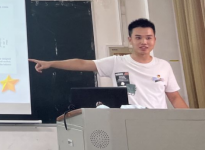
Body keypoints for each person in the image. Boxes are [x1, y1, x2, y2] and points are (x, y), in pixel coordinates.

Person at [29, 18, 189, 109]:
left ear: (154, 40)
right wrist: (51, 63)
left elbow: (174, 97)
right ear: (130, 40)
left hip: (159, 123)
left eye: (148, 38)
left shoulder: (163, 66)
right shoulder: (117, 62)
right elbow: (82, 64)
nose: (144, 42)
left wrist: (191, 122)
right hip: (125, 123)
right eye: (138, 38)